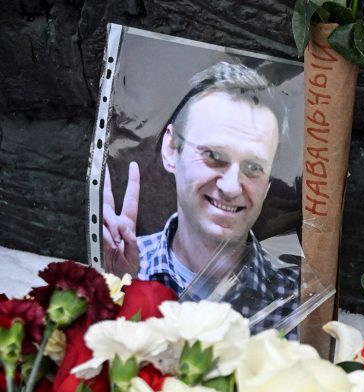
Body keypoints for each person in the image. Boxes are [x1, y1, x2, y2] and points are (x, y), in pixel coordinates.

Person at [101, 61, 298, 332]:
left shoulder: (297, 300)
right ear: (171, 149)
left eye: (253, 167)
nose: (231, 187)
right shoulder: (119, 270)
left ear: (268, 183)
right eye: (214, 156)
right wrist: (113, 293)